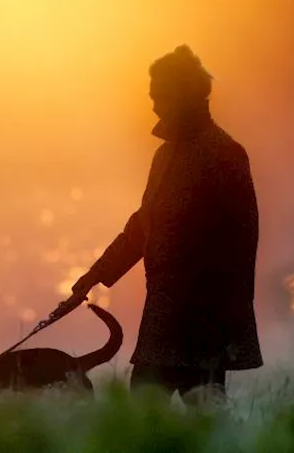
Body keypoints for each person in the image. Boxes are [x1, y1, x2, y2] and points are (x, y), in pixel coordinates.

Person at [61, 45, 262, 403]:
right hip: (165, 314)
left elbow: (241, 247)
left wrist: (224, 323)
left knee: (198, 416)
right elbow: (142, 226)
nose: (153, 104)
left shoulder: (225, 154)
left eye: (160, 96)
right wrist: (93, 276)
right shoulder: (165, 154)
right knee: (147, 409)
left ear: (184, 95)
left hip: (204, 322)